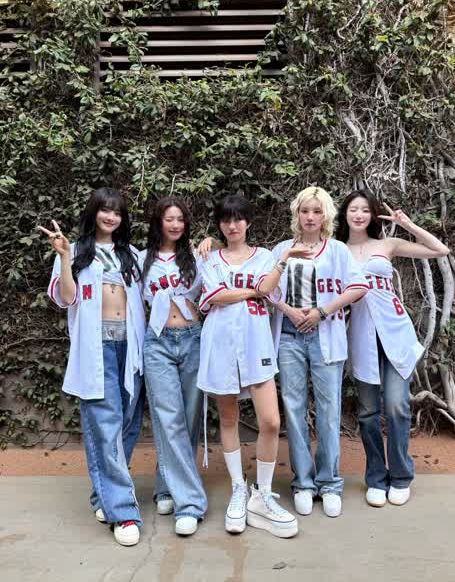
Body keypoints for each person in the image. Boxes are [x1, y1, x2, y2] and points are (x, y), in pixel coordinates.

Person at [38, 188, 145, 547]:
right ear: (94, 212)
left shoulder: (132, 254)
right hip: (97, 345)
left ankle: (103, 495)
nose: (110, 217)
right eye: (105, 210)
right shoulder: (76, 251)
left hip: (129, 344)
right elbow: (66, 297)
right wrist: (64, 257)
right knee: (106, 424)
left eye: (117, 212)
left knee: (127, 423)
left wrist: (205, 244)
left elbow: (168, 267)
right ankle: (123, 511)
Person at [197, 195, 308, 539]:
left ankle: (262, 494)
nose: (232, 226)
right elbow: (215, 295)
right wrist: (250, 291)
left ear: (248, 222)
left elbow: (267, 288)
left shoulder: (265, 256)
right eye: (226, 220)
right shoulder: (208, 257)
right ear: (219, 225)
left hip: (256, 342)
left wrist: (280, 262)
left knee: (271, 421)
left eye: (238, 219)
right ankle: (237, 488)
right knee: (228, 417)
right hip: (220, 342)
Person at [258, 186, 369, 518]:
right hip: (289, 337)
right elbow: (264, 288)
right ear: (297, 214)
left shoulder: (336, 250)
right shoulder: (282, 249)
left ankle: (329, 483)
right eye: (305, 211)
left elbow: (358, 286)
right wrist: (288, 310)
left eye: (317, 211)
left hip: (325, 335)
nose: (310, 217)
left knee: (328, 410)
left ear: (326, 216)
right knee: (293, 409)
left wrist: (322, 311)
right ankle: (303, 483)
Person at [336, 189, 449, 507]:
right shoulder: (336, 250)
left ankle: (400, 476)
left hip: (395, 332)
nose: (359, 214)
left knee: (397, 405)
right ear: (344, 214)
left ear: (372, 215)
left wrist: (407, 224)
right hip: (361, 336)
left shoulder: (386, 244)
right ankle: (376, 477)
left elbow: (440, 250)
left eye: (365, 210)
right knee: (368, 412)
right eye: (353, 209)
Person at [139, 197, 207, 537]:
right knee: (168, 418)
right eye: (169, 218)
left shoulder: (196, 256)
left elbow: (213, 286)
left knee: (189, 418)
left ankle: (166, 486)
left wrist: (208, 245)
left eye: (180, 218)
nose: (176, 224)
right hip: (158, 342)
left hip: (193, 338)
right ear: (158, 222)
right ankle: (190, 503)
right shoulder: (141, 259)